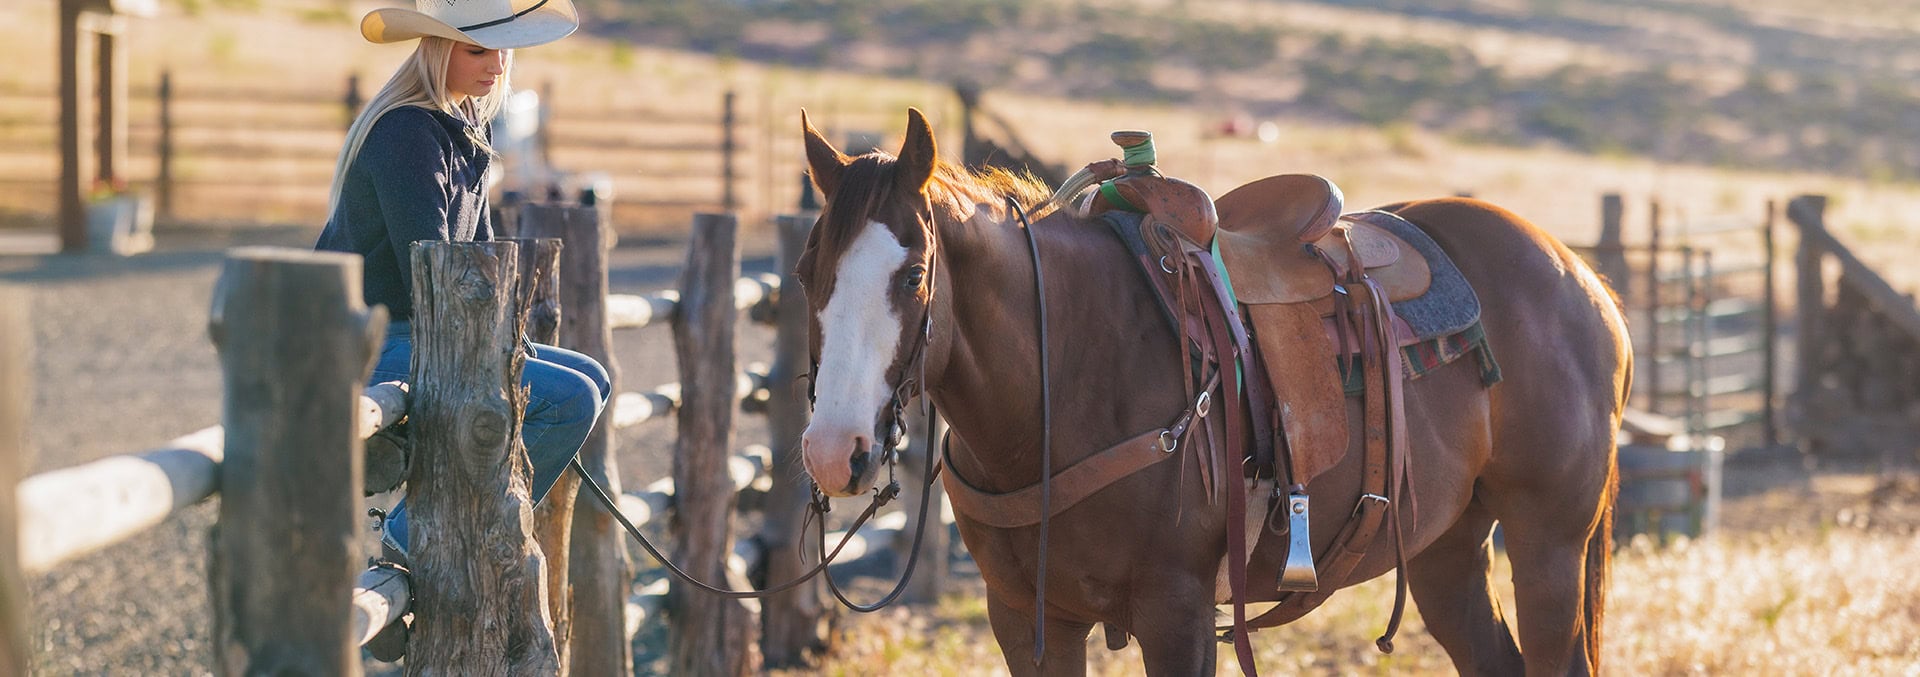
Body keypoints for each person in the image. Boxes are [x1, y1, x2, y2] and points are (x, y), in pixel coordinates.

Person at [314, 0, 607, 567]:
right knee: (573, 399)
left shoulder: (462, 126)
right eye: (478, 49)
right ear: (437, 50)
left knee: (592, 377)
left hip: (425, 328)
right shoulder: (405, 134)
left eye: (503, 50)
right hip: (378, 337)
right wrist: (496, 345)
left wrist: (506, 337)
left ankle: (469, 520)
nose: (497, 66)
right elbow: (439, 273)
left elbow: (481, 255)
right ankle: (429, 532)